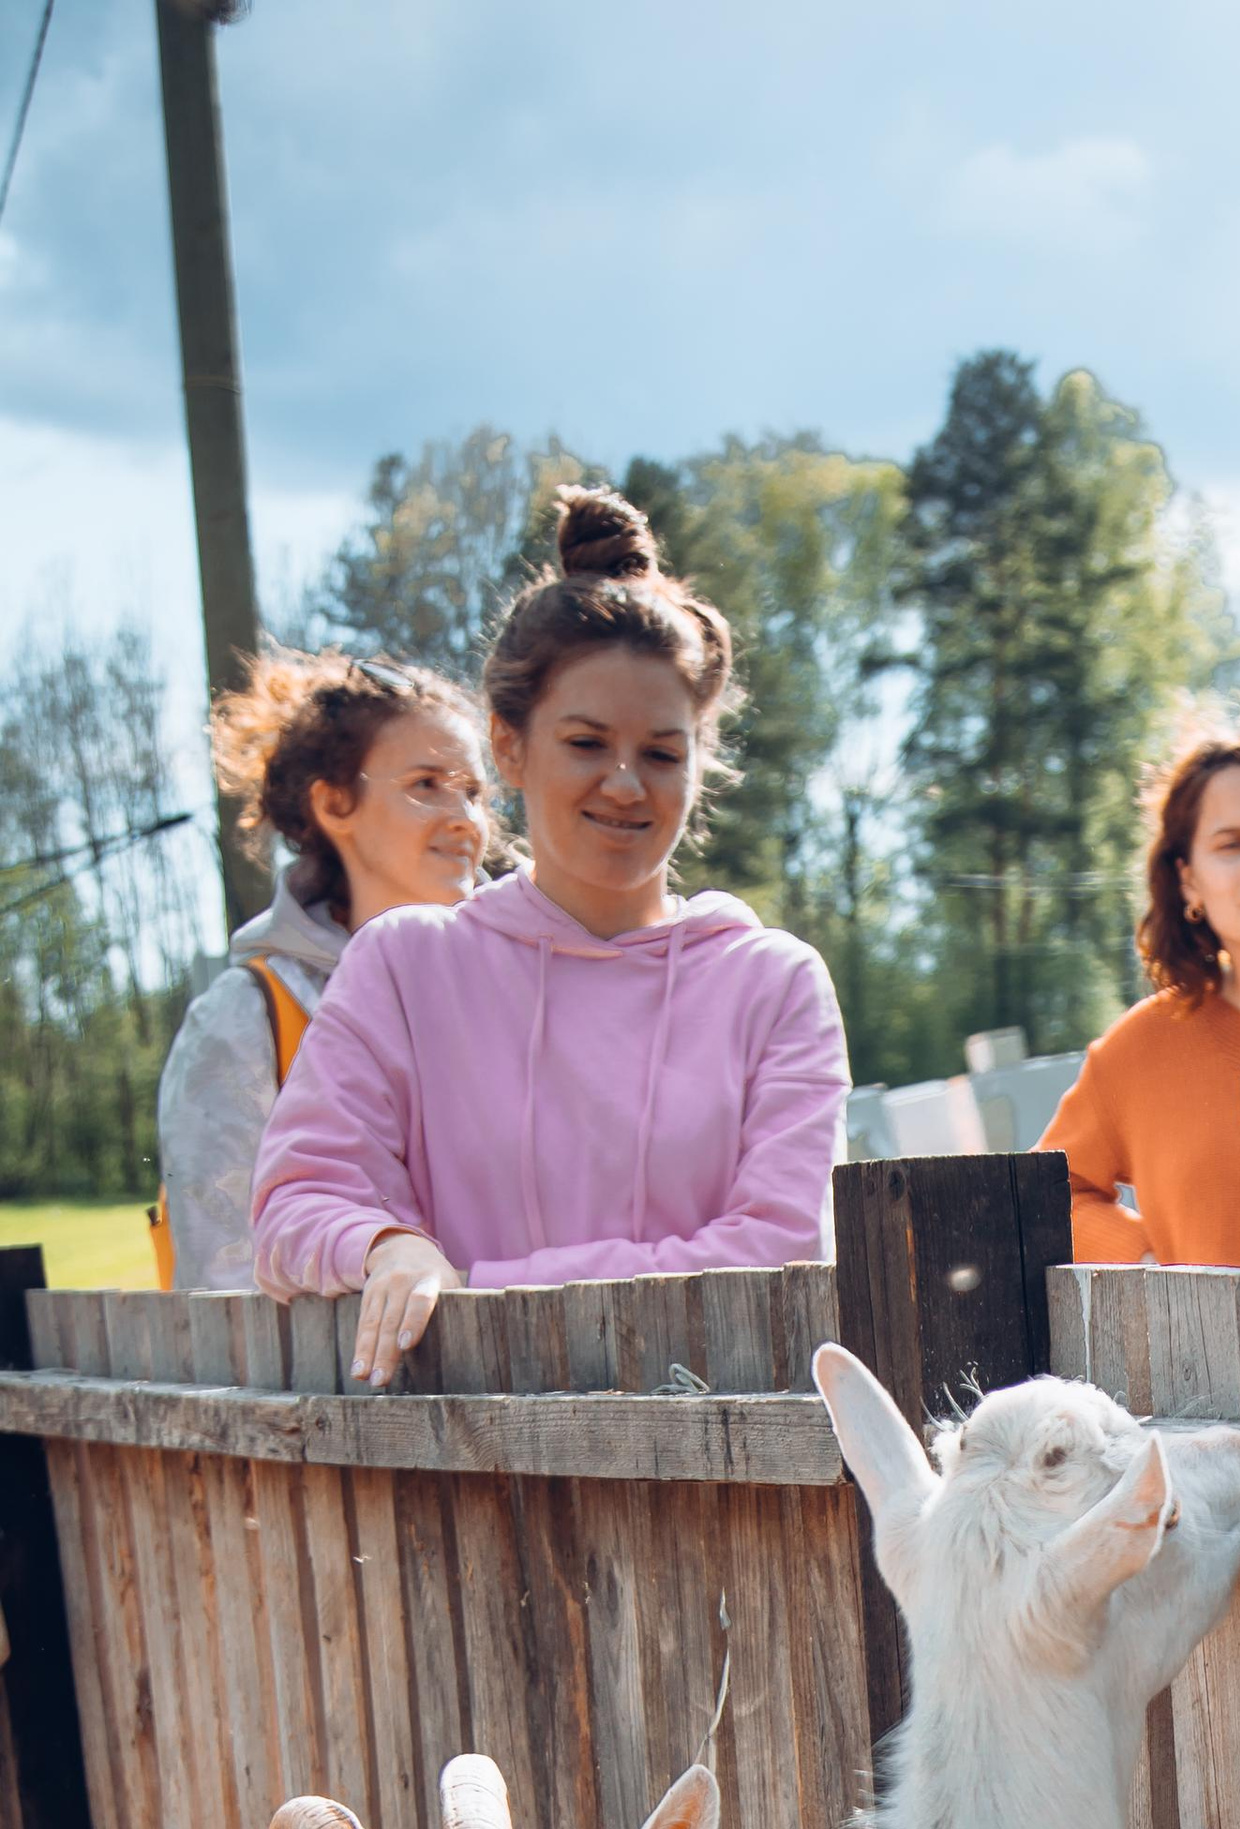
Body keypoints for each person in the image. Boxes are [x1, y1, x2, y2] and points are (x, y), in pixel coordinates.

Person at [253, 489, 849, 1380]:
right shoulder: (408, 965)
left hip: (731, 1484)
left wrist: (479, 1284)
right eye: (584, 742)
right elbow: (298, 1202)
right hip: (464, 1482)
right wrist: (386, 1247)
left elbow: (782, 1246)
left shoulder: (775, 985)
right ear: (509, 746)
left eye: (661, 753)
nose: (625, 785)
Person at [154, 652, 488, 1291]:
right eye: (425, 784)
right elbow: (224, 1274)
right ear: (336, 804)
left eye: (473, 792)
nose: (464, 819)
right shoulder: (248, 1016)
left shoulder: (527, 986)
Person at [1043, 735, 1240, 1275]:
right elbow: (1047, 1196)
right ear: (1189, 879)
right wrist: (1146, 1258)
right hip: (1194, 1357)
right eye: (1231, 845)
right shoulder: (1140, 1048)